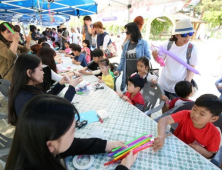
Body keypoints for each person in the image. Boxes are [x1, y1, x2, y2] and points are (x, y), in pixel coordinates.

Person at [5, 94, 137, 170]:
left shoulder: (34, 145)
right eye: (73, 131)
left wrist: (107, 145)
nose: (76, 134)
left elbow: (74, 145)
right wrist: (123, 168)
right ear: (50, 145)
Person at [7, 54, 83, 125]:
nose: (43, 73)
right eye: (40, 70)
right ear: (29, 72)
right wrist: (72, 87)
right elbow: (61, 112)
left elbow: (46, 97)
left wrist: (60, 83)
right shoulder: (29, 98)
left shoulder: (26, 89)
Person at [153, 94, 222, 159]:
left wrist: (201, 150)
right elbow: (164, 120)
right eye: (194, 109)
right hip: (174, 149)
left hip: (191, 158)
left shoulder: (215, 134)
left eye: (202, 114)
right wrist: (161, 136)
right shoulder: (186, 114)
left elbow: (211, 154)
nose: (195, 114)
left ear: (213, 119)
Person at [152, 19, 198, 100]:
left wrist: (187, 83)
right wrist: (155, 56)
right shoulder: (168, 44)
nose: (188, 37)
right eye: (184, 34)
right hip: (164, 83)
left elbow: (192, 67)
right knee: (165, 105)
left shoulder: (192, 48)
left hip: (179, 87)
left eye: (190, 34)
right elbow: (160, 60)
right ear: (176, 35)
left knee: (175, 109)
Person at [114, 22, 151, 91]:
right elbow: (123, 58)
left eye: (128, 32)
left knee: (138, 92)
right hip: (128, 72)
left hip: (139, 74)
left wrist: (142, 65)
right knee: (129, 91)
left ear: (133, 31)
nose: (127, 34)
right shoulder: (126, 44)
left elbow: (148, 57)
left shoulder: (143, 43)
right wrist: (118, 69)